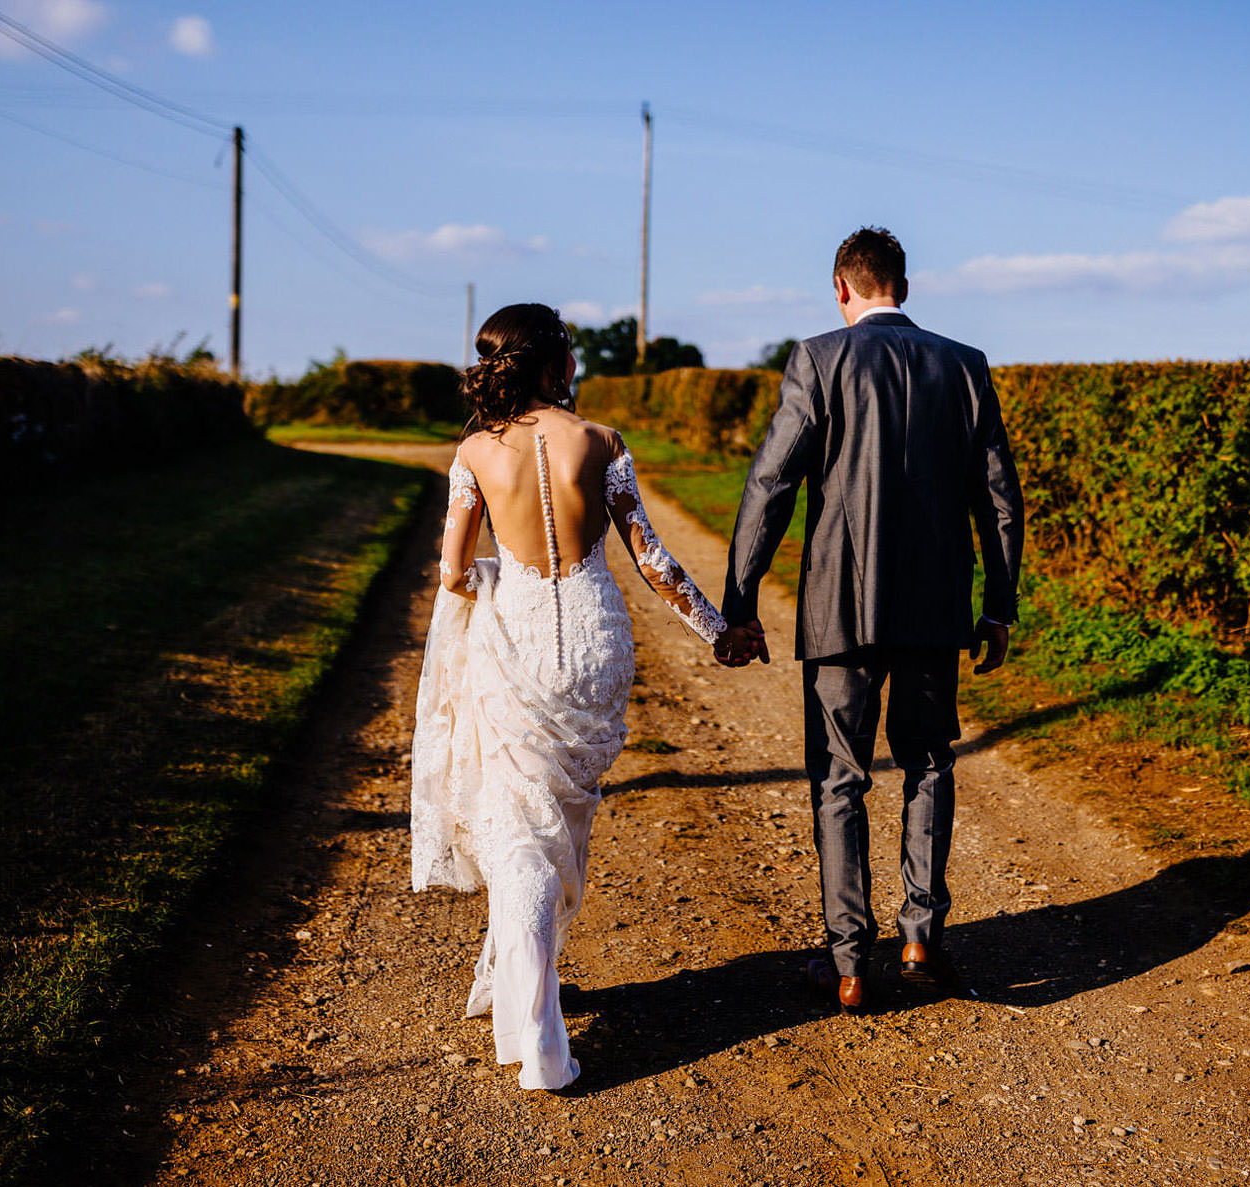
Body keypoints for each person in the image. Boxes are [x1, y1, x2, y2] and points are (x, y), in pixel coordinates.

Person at [409, 303, 757, 1089]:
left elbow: (453, 572)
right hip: (596, 643)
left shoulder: (474, 451)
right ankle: (517, 982)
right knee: (560, 819)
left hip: (518, 638)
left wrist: (494, 582)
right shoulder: (601, 444)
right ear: (557, 364)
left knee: (517, 827)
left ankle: (533, 1029)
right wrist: (720, 632)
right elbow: (654, 561)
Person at [717, 227, 1024, 1013]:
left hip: (839, 612)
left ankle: (849, 961)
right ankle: (922, 935)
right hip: (934, 608)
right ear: (905, 289)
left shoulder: (819, 358)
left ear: (840, 289)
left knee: (839, 779)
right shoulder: (965, 365)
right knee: (928, 763)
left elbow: (771, 483)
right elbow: (998, 498)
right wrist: (997, 604)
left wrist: (740, 596)